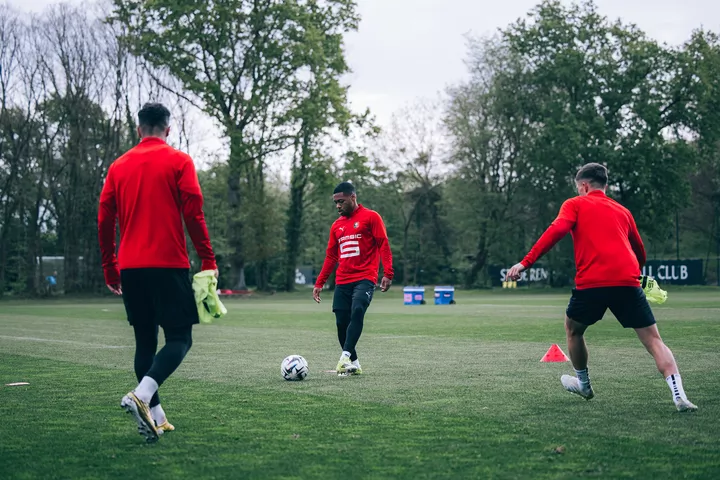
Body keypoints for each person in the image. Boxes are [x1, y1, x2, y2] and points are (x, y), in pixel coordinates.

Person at [506, 163, 697, 412]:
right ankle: (679, 395)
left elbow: (557, 230)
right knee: (653, 340)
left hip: (592, 283)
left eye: (578, 188)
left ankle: (584, 385)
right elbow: (639, 250)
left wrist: (525, 262)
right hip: (627, 281)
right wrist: (637, 275)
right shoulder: (623, 211)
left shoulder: (574, 204)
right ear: (604, 185)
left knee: (573, 330)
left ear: (584, 186)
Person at [98, 102, 218, 442]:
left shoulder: (118, 166)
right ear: (168, 128)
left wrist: (110, 267)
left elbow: (104, 219)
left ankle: (158, 417)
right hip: (168, 264)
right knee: (180, 338)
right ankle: (142, 394)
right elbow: (194, 213)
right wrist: (208, 259)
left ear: (139, 129)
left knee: (145, 341)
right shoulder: (179, 161)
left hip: (131, 267)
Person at [313, 182, 394, 376]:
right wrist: (320, 282)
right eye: (336, 202)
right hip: (342, 280)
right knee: (341, 323)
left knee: (357, 309)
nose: (338, 206)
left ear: (353, 197)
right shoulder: (336, 226)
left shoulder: (371, 217)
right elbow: (331, 256)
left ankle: (344, 358)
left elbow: (383, 244)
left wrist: (388, 273)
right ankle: (355, 364)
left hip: (365, 277)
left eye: (341, 201)